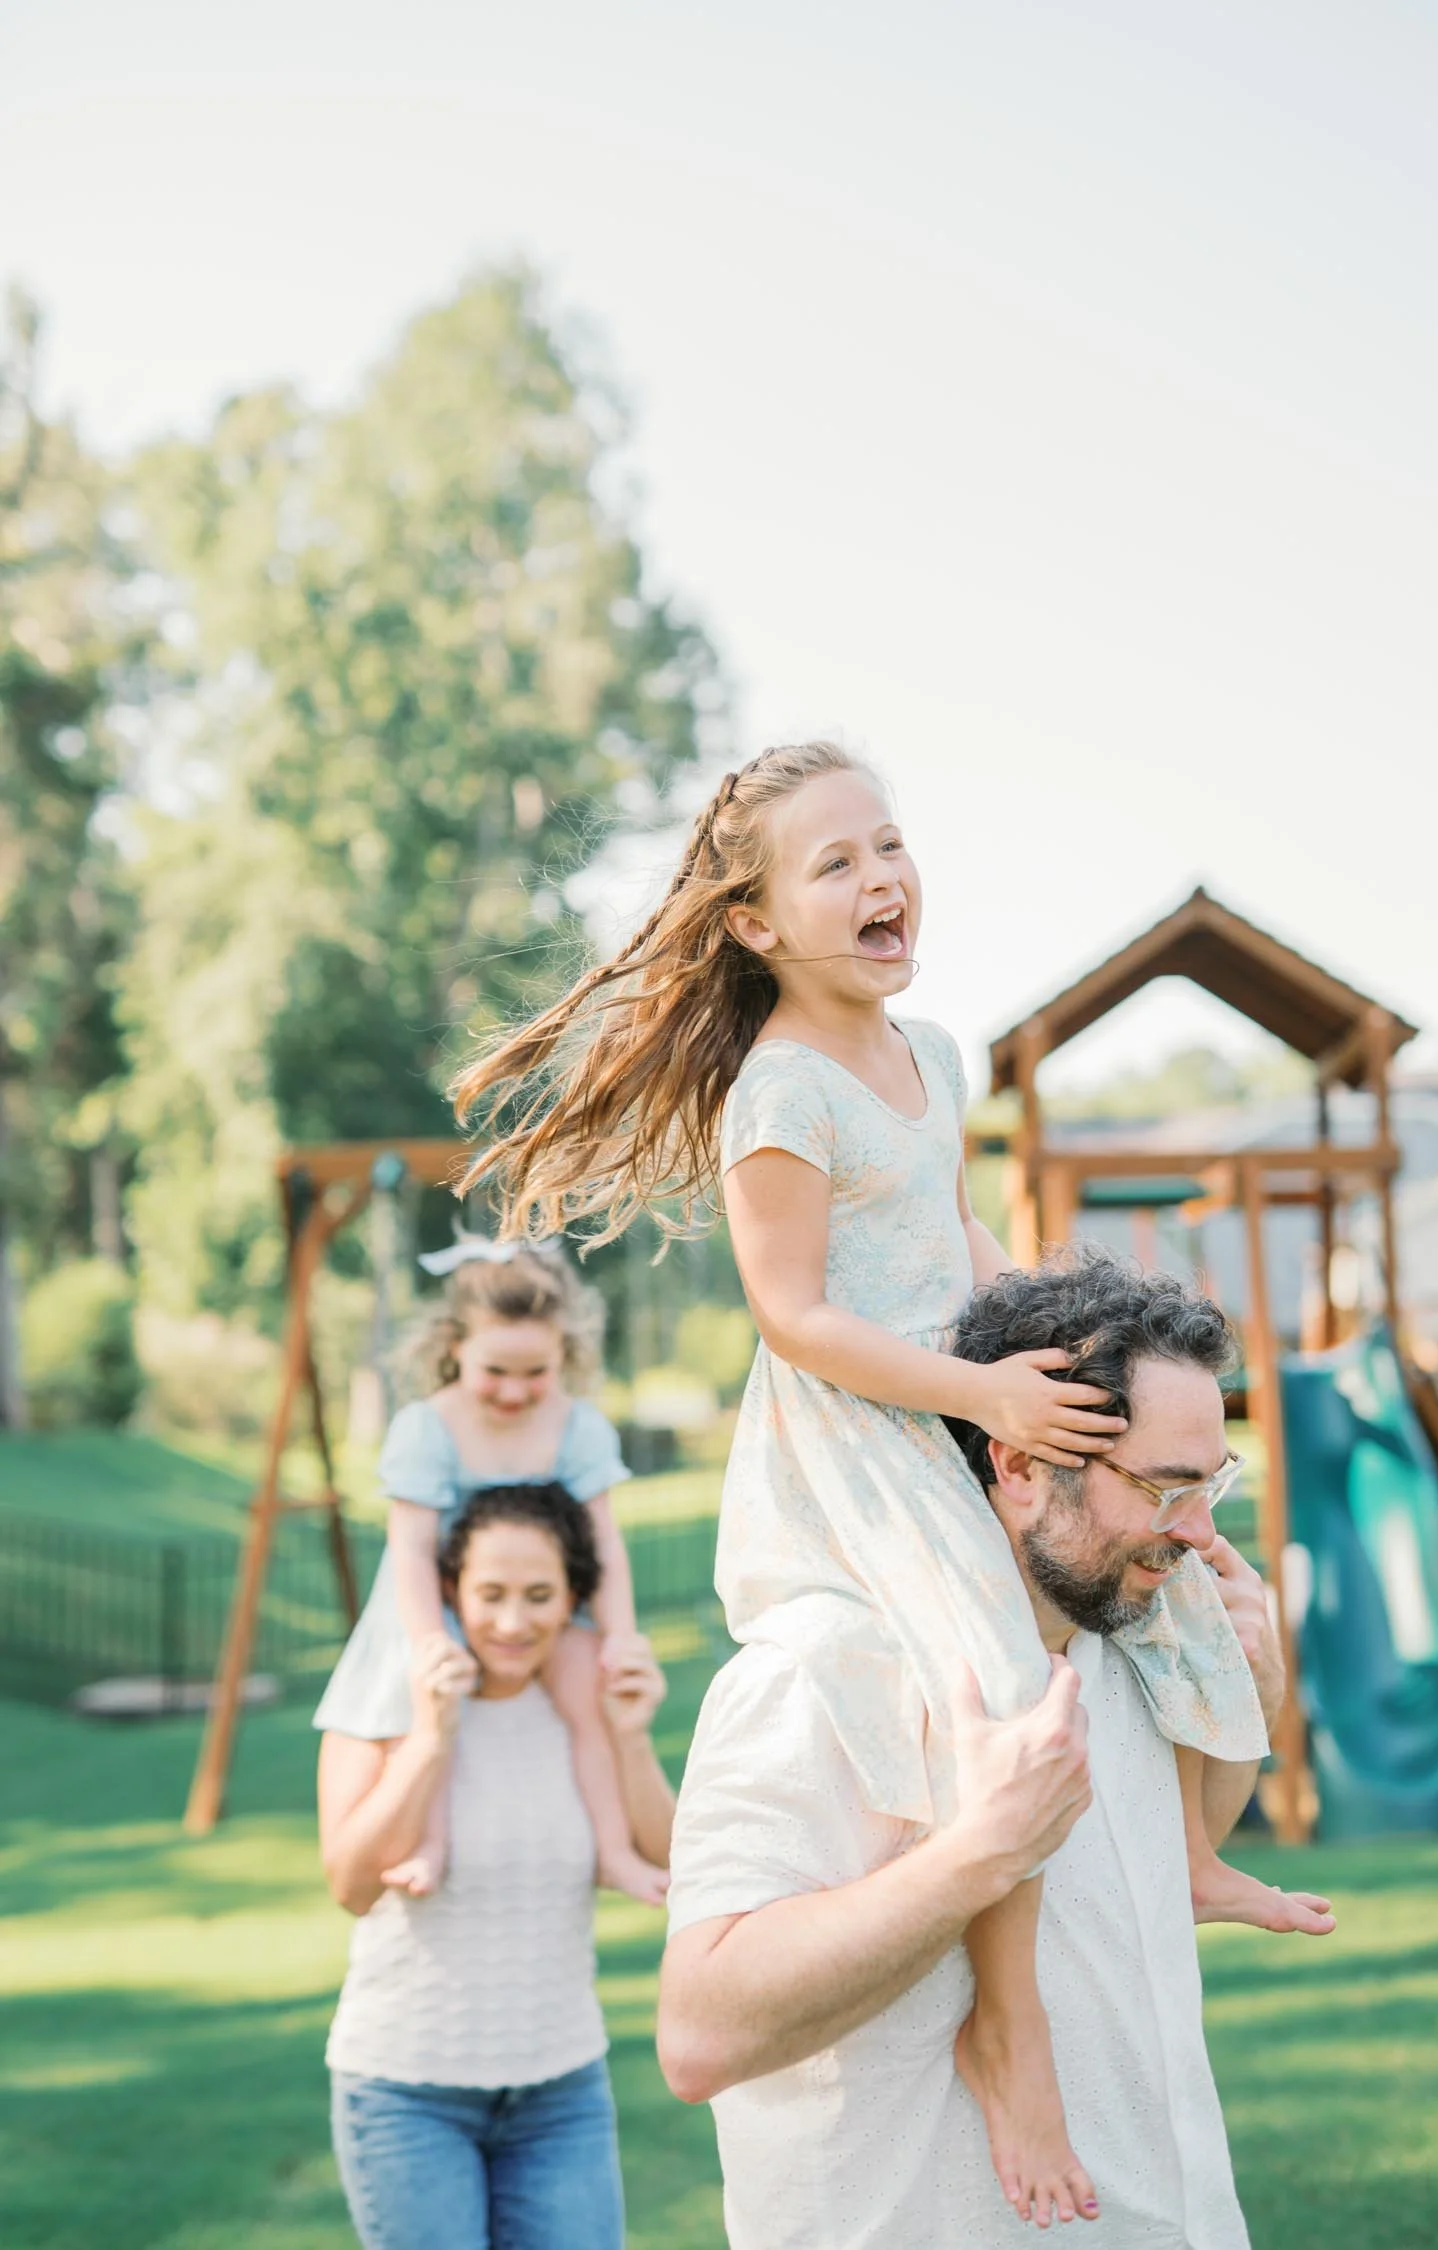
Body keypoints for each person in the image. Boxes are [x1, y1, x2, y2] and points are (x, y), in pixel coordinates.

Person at [455, 741, 1292, 2223]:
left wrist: (1057, 1344)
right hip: (861, 1432)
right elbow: (795, 1314)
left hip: (961, 1396)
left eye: (889, 845)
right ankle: (1007, 2020)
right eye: (833, 862)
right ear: (758, 923)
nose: (879, 878)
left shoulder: (936, 1054)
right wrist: (975, 1390)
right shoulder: (780, 1092)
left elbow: (959, 1233)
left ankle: (1190, 1851)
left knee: (1175, 1578)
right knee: (997, 1671)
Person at [657, 1250, 1332, 2248]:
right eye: (1162, 1487)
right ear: (1019, 1464)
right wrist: (977, 1858)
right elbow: (700, 2035)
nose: (1195, 1532)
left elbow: (1152, 1871)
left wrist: (1257, 1696)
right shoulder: (811, 1682)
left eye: (1211, 1485)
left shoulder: (1120, 1644)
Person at [319, 1481, 676, 2250]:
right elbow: (349, 1886)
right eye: (490, 1593)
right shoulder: (383, 1703)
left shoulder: (584, 1704)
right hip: (407, 2094)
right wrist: (430, 1740)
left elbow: (668, 1857)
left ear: (575, 1596)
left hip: (562, 2090)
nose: (513, 1622)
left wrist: (634, 1736)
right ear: (450, 1589)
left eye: (540, 1595)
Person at [314, 1237, 666, 1905]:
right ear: (455, 1350)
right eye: (495, 1370)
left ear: (567, 1355)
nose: (514, 1391)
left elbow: (605, 1544)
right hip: (436, 1604)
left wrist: (619, 1634)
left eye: (536, 1371)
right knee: (423, 1702)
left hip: (540, 1603)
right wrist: (430, 1644)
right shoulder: (426, 1427)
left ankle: (615, 1850)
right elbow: (412, 1552)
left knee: (592, 1695)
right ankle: (430, 1842)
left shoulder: (578, 1426)